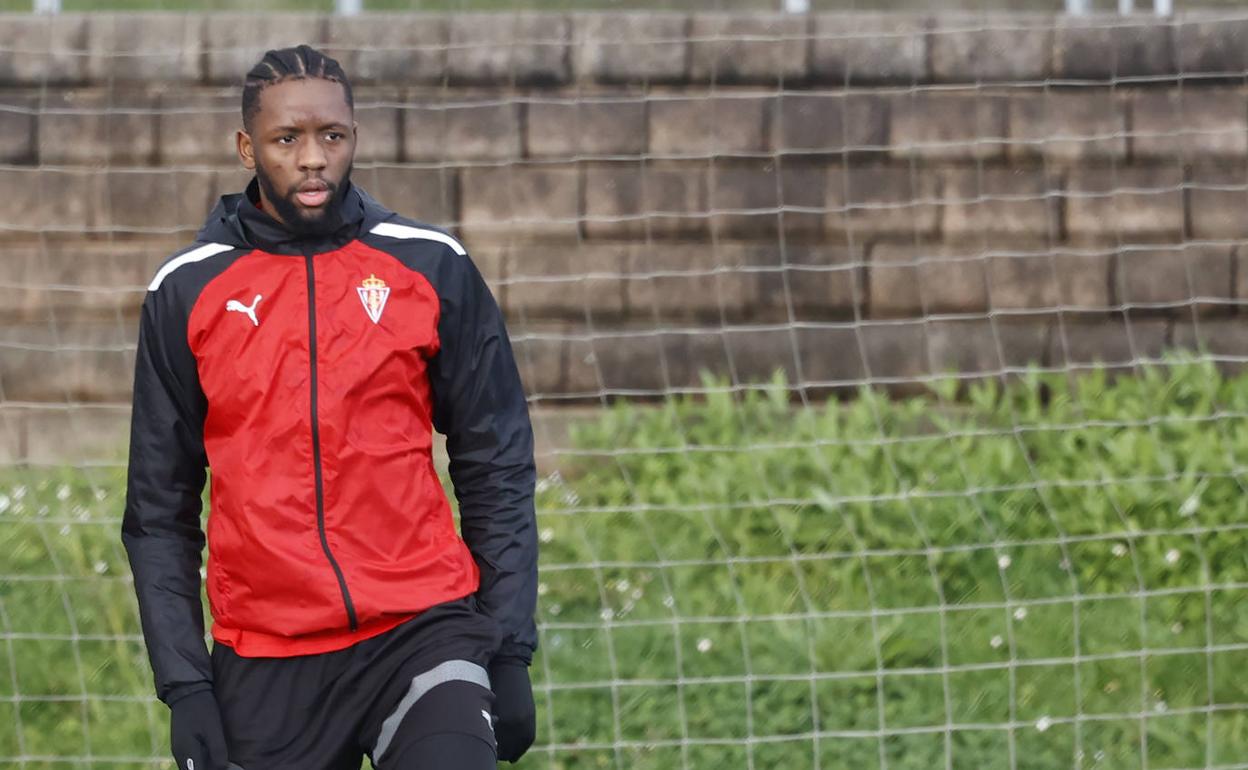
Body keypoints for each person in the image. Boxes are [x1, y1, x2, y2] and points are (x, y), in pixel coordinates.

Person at [121, 44, 538, 770]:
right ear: (248, 147)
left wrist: (506, 648)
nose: (312, 158)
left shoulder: (431, 265)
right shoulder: (186, 292)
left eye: (331, 136)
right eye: (288, 139)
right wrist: (185, 684)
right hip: (266, 658)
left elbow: (495, 460)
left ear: (354, 137)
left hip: (420, 630)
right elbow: (158, 509)